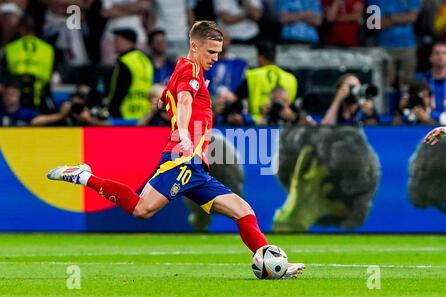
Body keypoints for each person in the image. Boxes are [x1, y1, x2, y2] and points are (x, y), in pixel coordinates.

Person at [46, 21, 305, 279]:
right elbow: (183, 101)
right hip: (183, 158)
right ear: (195, 46)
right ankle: (84, 176)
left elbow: (164, 100)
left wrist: (169, 106)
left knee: (243, 211)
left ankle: (275, 265)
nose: (216, 58)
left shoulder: (182, 70)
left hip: (196, 166)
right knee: (142, 210)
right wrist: (182, 131)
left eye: (218, 52)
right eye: (211, 52)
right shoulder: (191, 71)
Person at [106, 28, 154, 120]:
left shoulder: (125, 61)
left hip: (124, 114)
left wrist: (111, 110)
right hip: (144, 114)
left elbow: (118, 90)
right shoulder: (146, 60)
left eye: (117, 40)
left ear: (128, 41)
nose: (114, 43)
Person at [416, 42, 446, 124]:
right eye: (437, 53)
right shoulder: (420, 80)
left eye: (444, 53)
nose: (440, 56)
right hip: (422, 128)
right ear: (430, 58)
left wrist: (430, 121)